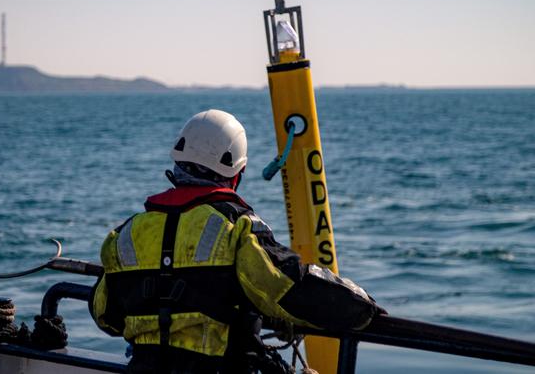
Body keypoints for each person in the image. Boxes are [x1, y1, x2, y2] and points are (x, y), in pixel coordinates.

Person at [90, 109, 383, 373]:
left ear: (178, 162)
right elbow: (289, 287)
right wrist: (362, 308)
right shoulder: (237, 228)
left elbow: (105, 315)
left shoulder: (125, 234)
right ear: (237, 174)